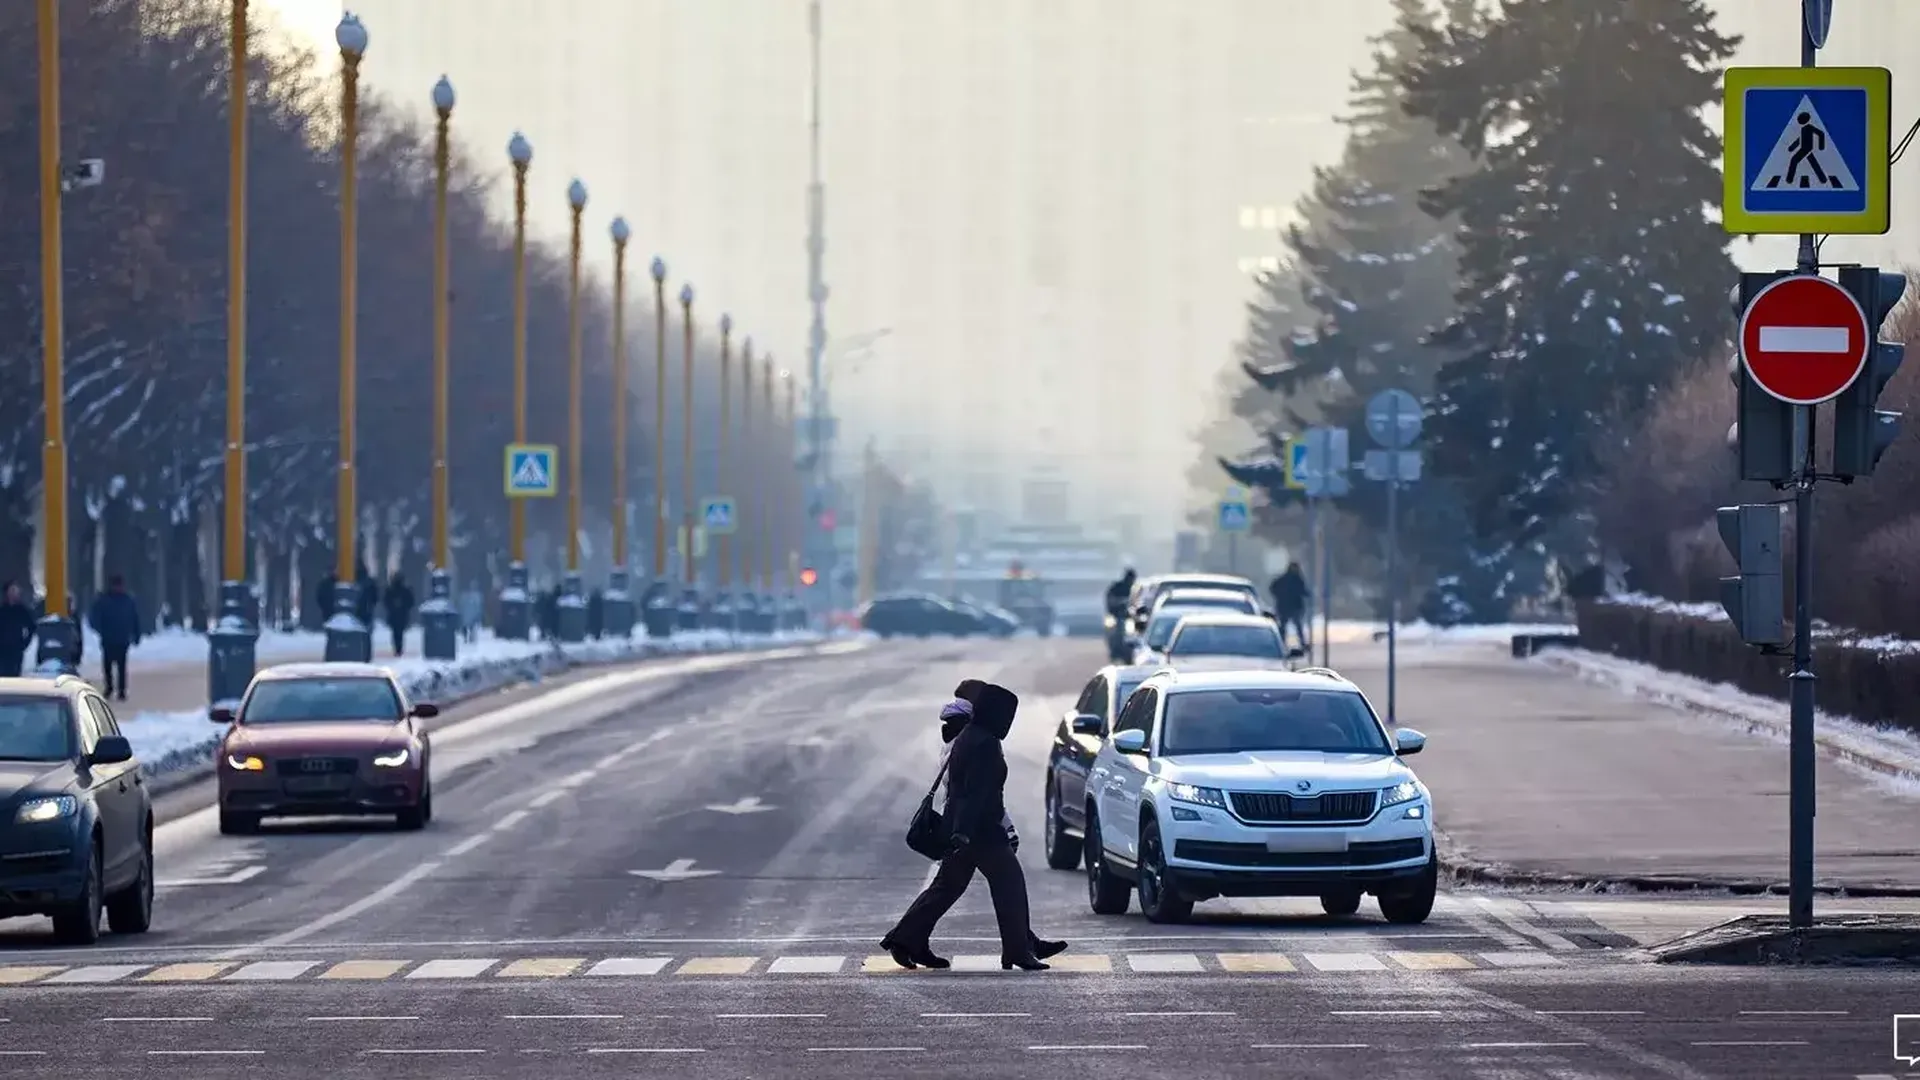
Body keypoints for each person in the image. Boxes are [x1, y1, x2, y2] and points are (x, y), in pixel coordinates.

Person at [881, 680, 1064, 972]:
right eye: (1006, 714)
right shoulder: (984, 742)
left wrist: (959, 831)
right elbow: (974, 793)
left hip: (965, 829)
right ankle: (1018, 951)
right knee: (1010, 885)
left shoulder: (972, 736)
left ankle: (907, 941)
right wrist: (966, 832)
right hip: (980, 831)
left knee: (947, 887)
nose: (1008, 722)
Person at [86, 575, 142, 700]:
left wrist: (136, 634)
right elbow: (94, 617)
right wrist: (100, 630)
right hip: (108, 638)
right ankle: (109, 687)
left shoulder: (127, 601)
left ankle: (121, 690)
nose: (118, 588)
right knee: (107, 666)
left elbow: (134, 618)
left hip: (122, 639)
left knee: (122, 666)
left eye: (119, 585)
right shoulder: (104, 600)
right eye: (116, 585)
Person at [1270, 561, 1311, 652]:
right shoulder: (1296, 579)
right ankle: (1288, 643)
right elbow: (1303, 591)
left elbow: (1273, 588)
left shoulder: (1286, 579)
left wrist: (1279, 596)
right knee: (1291, 626)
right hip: (1292, 606)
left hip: (1286, 607)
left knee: (1286, 627)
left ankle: (1282, 644)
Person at [0, 581, 35, 678]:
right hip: (2, 649)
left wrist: (25, 643)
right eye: (12, 590)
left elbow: (31, 627)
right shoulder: (2, 610)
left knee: (14, 675)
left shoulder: (21, 610)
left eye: (16, 590)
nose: (15, 593)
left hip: (16, 649)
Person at [1104, 568, 1136, 662]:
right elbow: (1109, 599)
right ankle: (1114, 650)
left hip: (1130, 618)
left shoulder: (1135, 589)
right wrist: (1119, 603)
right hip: (1116, 616)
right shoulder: (1117, 587)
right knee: (1112, 632)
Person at [381, 572, 415, 656]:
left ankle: (397, 648)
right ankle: (399, 648)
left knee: (395, 632)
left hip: (394, 614)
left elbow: (386, 602)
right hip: (402, 614)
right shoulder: (405, 590)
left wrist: (392, 607)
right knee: (400, 632)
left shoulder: (390, 590)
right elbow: (410, 602)